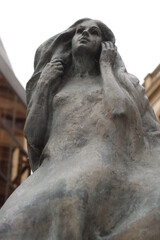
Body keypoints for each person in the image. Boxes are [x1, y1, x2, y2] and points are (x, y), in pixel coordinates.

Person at [0, 18, 160, 240]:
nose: (85, 34)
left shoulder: (122, 81)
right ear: (70, 40)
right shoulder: (54, 86)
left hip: (102, 164)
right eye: (79, 31)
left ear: (105, 46)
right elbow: (34, 137)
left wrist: (106, 67)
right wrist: (44, 86)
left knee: (70, 196)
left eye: (93, 32)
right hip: (54, 168)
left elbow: (121, 111)